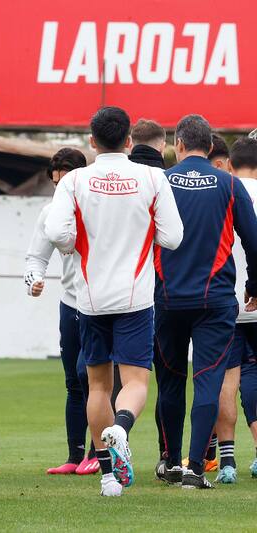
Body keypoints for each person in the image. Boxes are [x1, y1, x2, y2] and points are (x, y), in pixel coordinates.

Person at [45, 106, 183, 497]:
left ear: (92, 141)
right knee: (136, 381)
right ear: (129, 141)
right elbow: (173, 238)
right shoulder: (152, 177)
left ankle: (108, 477)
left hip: (89, 299)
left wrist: (73, 244)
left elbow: (56, 231)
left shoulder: (75, 180)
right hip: (135, 297)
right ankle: (121, 427)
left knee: (97, 386)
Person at [153, 115, 257, 489]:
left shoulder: (160, 181)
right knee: (208, 380)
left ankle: (170, 462)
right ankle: (196, 467)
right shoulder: (229, 184)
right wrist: (254, 284)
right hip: (215, 300)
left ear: (178, 145)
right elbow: (253, 241)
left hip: (168, 299)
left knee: (170, 381)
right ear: (211, 147)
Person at [25, 147, 100, 476]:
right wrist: (34, 279)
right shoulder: (50, 213)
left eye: (65, 182)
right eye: (56, 184)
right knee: (73, 381)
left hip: (100, 305)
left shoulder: (98, 207)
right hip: (69, 304)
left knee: (90, 375)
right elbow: (36, 257)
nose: (61, 190)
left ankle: (100, 452)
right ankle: (74, 455)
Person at [203, 136, 257, 484]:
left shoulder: (223, 191)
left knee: (226, 379)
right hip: (255, 296)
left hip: (226, 300)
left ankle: (227, 461)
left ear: (231, 166)